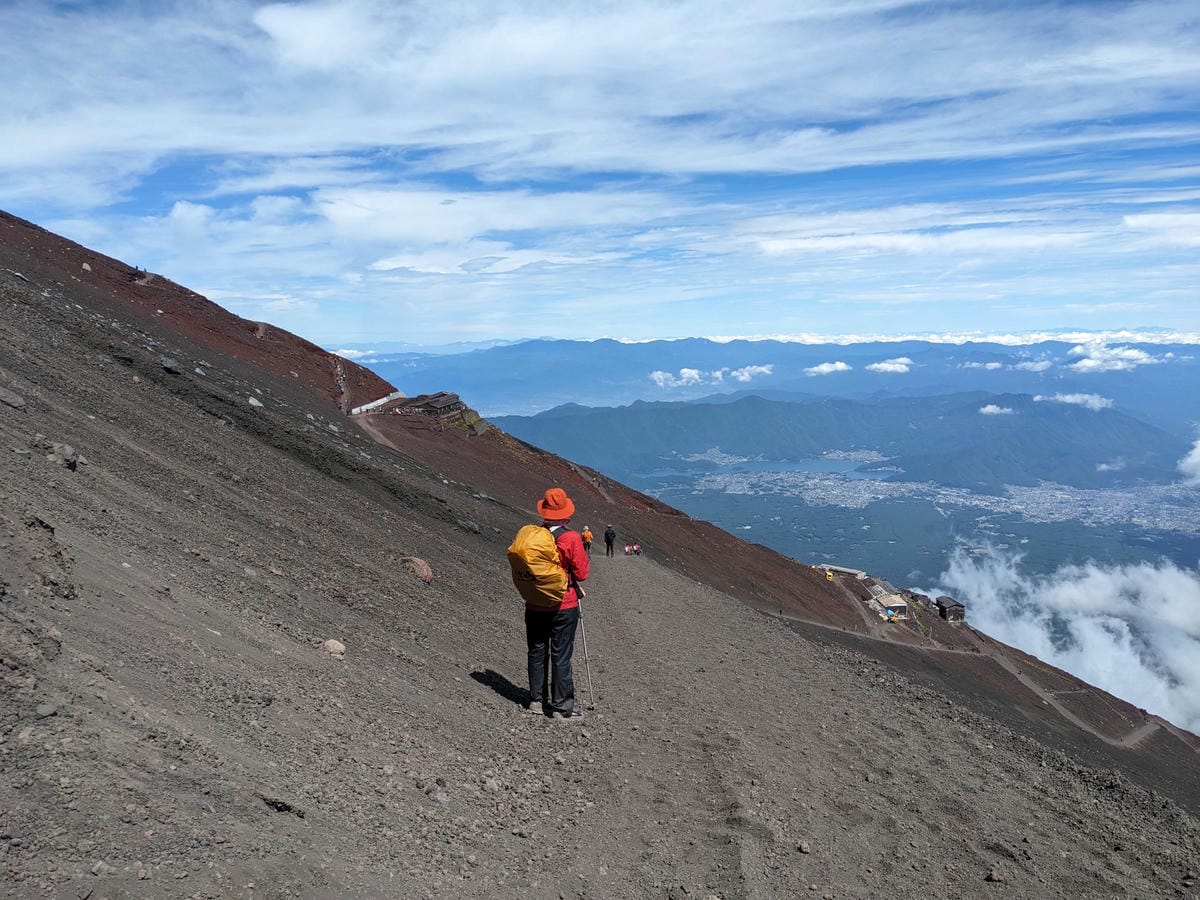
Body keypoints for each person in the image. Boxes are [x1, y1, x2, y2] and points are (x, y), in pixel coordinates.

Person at [523, 487, 590, 721]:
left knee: (537, 651)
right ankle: (562, 707)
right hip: (564, 604)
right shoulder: (570, 537)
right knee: (561, 655)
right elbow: (581, 573)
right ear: (566, 515)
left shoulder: (532, 536)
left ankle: (536, 702)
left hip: (534, 603)